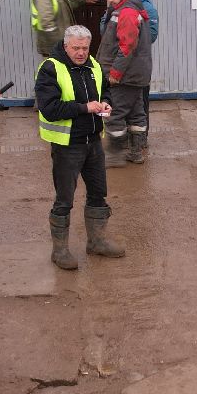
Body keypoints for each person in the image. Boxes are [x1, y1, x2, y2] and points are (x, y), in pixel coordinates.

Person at [35, 25, 125, 268]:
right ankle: (60, 251)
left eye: (85, 48)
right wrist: (85, 107)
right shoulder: (50, 68)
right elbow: (50, 109)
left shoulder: (93, 65)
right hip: (67, 145)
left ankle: (96, 242)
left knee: (98, 193)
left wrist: (105, 103)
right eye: (76, 48)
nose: (81, 53)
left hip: (93, 142)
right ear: (66, 46)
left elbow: (105, 90)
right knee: (64, 199)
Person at [97, 0, 152, 164]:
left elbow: (126, 47)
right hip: (135, 75)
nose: (110, 0)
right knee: (136, 114)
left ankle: (115, 155)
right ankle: (135, 152)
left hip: (125, 76)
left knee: (114, 113)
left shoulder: (126, 12)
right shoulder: (128, 11)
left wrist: (115, 73)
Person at [30, 0, 98, 59]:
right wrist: (61, 46)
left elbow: (66, 7)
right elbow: (46, 23)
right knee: (55, 72)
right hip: (53, 48)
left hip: (62, 44)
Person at [123, 0, 159, 150]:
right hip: (120, 65)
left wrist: (129, 40)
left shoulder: (148, 7)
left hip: (139, 65)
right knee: (121, 102)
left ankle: (141, 138)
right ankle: (125, 138)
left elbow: (152, 35)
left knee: (141, 102)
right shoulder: (115, 5)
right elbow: (104, 29)